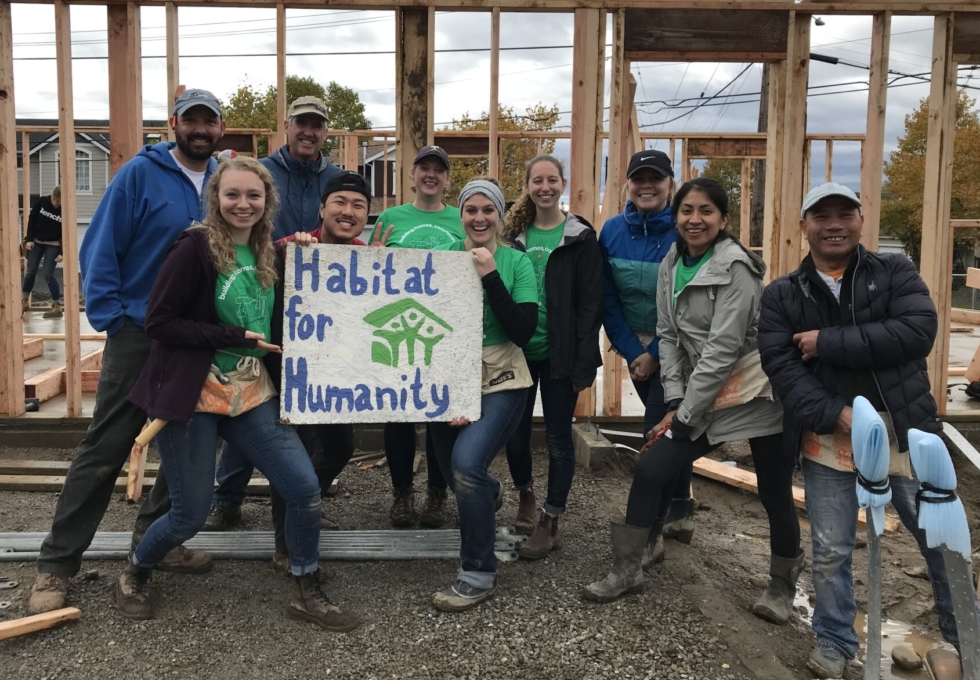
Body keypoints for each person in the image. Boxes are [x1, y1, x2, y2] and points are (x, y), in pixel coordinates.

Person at [122, 156, 358, 632]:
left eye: (254, 195)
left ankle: (306, 583)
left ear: (268, 201)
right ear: (216, 199)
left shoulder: (269, 249)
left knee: (304, 488)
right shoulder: (194, 248)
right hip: (194, 395)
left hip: (250, 392)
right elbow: (160, 322)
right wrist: (230, 336)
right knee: (189, 515)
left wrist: (312, 252)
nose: (243, 204)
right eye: (232, 195)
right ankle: (135, 570)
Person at [758, 182, 977, 678]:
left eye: (844, 214)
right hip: (829, 437)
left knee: (939, 540)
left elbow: (918, 332)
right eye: (821, 216)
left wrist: (827, 343)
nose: (833, 225)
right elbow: (782, 368)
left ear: (860, 221)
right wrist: (836, 413)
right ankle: (835, 641)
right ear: (804, 226)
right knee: (832, 549)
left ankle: (966, 636)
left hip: (903, 432)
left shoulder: (894, 272)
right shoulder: (782, 295)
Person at [28, 89, 225, 614]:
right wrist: (114, 318)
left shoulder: (224, 180)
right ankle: (56, 565)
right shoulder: (140, 174)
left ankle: (155, 545)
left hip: (195, 336)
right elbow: (100, 247)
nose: (200, 129)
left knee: (184, 444)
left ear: (220, 128)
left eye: (210, 121)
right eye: (192, 121)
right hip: (139, 331)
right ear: (174, 124)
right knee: (107, 446)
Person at [582, 178, 802, 628]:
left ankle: (781, 587)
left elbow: (723, 349)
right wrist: (677, 397)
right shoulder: (672, 262)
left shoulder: (737, 268)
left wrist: (681, 419)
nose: (694, 219)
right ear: (677, 216)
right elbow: (670, 337)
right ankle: (627, 570)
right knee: (651, 467)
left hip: (758, 390)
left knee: (773, 489)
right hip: (706, 386)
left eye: (706, 211)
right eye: (687, 211)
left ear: (723, 220)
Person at [204, 171, 376, 564]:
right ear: (322, 208)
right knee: (294, 453)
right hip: (288, 373)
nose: (348, 212)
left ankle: (305, 508)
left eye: (358, 206)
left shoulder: (367, 256)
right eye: (340, 202)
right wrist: (289, 255)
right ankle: (286, 544)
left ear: (367, 214)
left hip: (335, 376)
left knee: (339, 447)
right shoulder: (285, 248)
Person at [428, 178, 538, 611]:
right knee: (462, 477)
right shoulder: (440, 260)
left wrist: (490, 275)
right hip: (448, 376)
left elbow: (523, 331)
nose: (479, 217)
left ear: (499, 215)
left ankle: (478, 572)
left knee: (466, 465)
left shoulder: (517, 263)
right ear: (461, 215)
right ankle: (489, 492)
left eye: (487, 210)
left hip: (502, 378)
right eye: (470, 210)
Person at [501, 155, 602, 557]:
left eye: (552, 180)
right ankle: (525, 494)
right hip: (517, 352)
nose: (544, 187)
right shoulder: (512, 236)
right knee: (515, 434)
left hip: (561, 354)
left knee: (559, 439)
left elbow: (591, 304)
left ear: (563, 184)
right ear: (527, 186)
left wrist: (584, 360)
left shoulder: (580, 237)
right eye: (536, 180)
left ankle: (551, 518)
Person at [598, 150, 694, 549]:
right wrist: (629, 348)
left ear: (670, 184)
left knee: (657, 432)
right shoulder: (613, 231)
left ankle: (645, 532)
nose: (647, 185)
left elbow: (685, 300)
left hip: (676, 346)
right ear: (628, 185)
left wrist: (655, 352)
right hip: (633, 346)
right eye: (639, 178)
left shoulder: (684, 232)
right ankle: (679, 506)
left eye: (656, 178)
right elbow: (607, 296)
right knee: (674, 430)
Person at [368, 146, 463, 529]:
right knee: (399, 415)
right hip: (398, 327)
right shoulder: (390, 218)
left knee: (440, 414)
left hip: (444, 332)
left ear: (447, 179)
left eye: (438, 170)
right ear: (411, 175)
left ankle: (437, 494)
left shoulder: (461, 218)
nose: (431, 175)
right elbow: (370, 272)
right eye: (424, 168)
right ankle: (402, 493)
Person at [260, 95, 341, 241]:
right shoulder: (260, 172)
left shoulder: (338, 180)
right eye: (301, 124)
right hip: (267, 264)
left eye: (316, 126)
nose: (308, 133)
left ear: (325, 133)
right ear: (286, 127)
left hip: (326, 264)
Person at [21, 185, 65, 318]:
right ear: (51, 197)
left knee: (48, 274)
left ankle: (57, 305)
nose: (56, 204)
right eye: (55, 200)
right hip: (37, 242)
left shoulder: (65, 210)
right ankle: (24, 301)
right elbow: (31, 220)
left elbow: (66, 232)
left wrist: (62, 252)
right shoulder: (42, 202)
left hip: (53, 245)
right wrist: (29, 239)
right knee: (30, 271)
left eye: (59, 202)